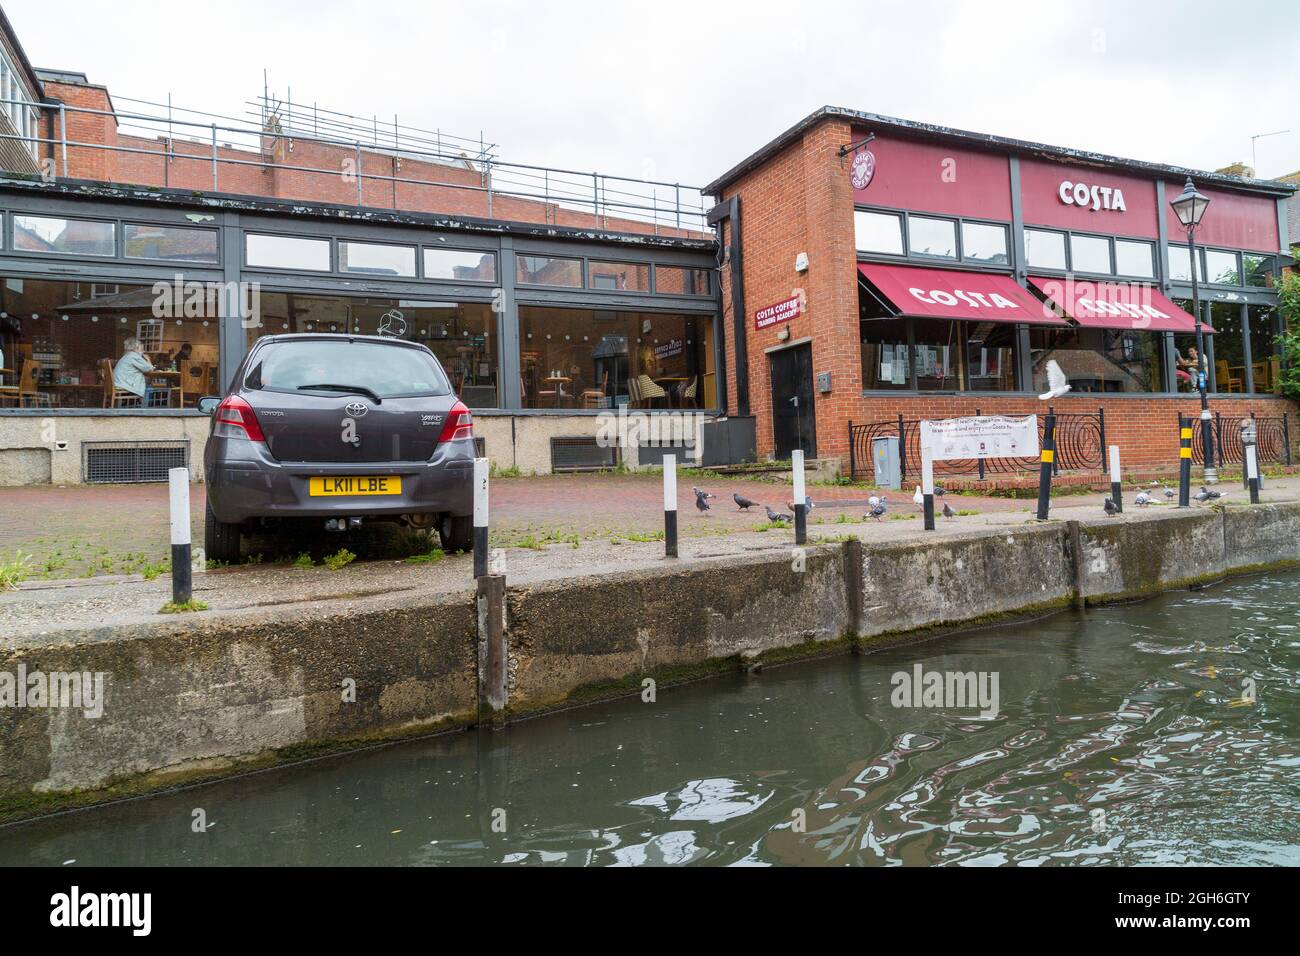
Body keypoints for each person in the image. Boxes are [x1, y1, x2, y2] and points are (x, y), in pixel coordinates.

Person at [112, 336, 154, 402]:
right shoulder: (134, 356)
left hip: (119, 383)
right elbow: (149, 369)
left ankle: (136, 405)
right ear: (135, 348)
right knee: (149, 389)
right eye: (142, 348)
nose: (143, 351)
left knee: (147, 387)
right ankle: (144, 409)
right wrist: (148, 359)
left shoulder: (128, 355)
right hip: (124, 384)